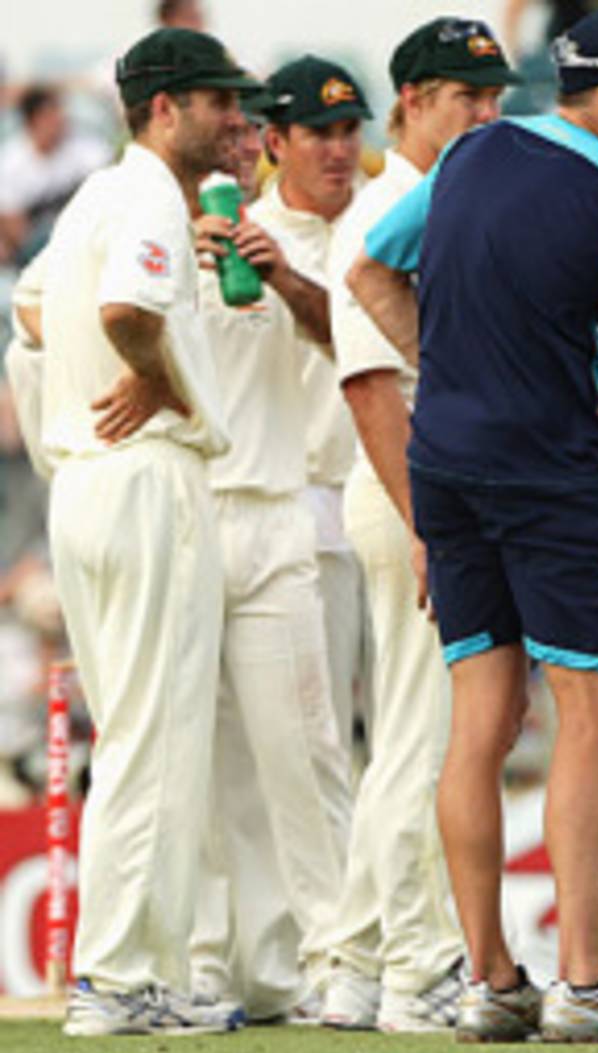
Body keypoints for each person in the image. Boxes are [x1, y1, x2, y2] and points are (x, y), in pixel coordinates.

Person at [348, 8, 598, 1041]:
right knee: (597, 723)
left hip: (447, 469)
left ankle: (488, 979)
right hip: (552, 475)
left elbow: (370, 271)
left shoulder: (465, 155)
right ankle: (586, 986)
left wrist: (454, 364)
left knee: (477, 727)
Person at [34, 27, 260, 1036]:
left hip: (84, 487)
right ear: (165, 109)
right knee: (153, 741)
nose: (236, 119)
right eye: (217, 101)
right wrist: (159, 376)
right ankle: (117, 981)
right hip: (147, 479)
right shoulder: (151, 196)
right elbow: (127, 306)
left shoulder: (94, 194)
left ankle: (128, 972)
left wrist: (108, 360)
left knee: (137, 734)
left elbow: (38, 309)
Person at [322, 17, 520, 1033]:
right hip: (407, 487)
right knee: (425, 737)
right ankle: (419, 967)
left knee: (418, 731)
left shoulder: (447, 197)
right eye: (464, 98)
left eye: (493, 99)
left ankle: (358, 961)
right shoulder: (388, 208)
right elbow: (369, 391)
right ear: (410, 101)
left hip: (435, 487)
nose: (485, 116)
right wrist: (426, 527)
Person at [186, 56, 369, 1022]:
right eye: (319, 133)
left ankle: (344, 952)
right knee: (239, 756)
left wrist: (289, 277)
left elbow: (369, 346)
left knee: (317, 755)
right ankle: (244, 967)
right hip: (271, 499)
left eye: (349, 131)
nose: (339, 150)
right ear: (275, 141)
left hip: (363, 504)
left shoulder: (383, 220)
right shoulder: (222, 225)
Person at [0, 84, 111, 264]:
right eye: (51, 115)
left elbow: (109, 191)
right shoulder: (10, 160)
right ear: (32, 122)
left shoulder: (86, 147)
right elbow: (15, 227)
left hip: (83, 234)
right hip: (35, 247)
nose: (60, 120)